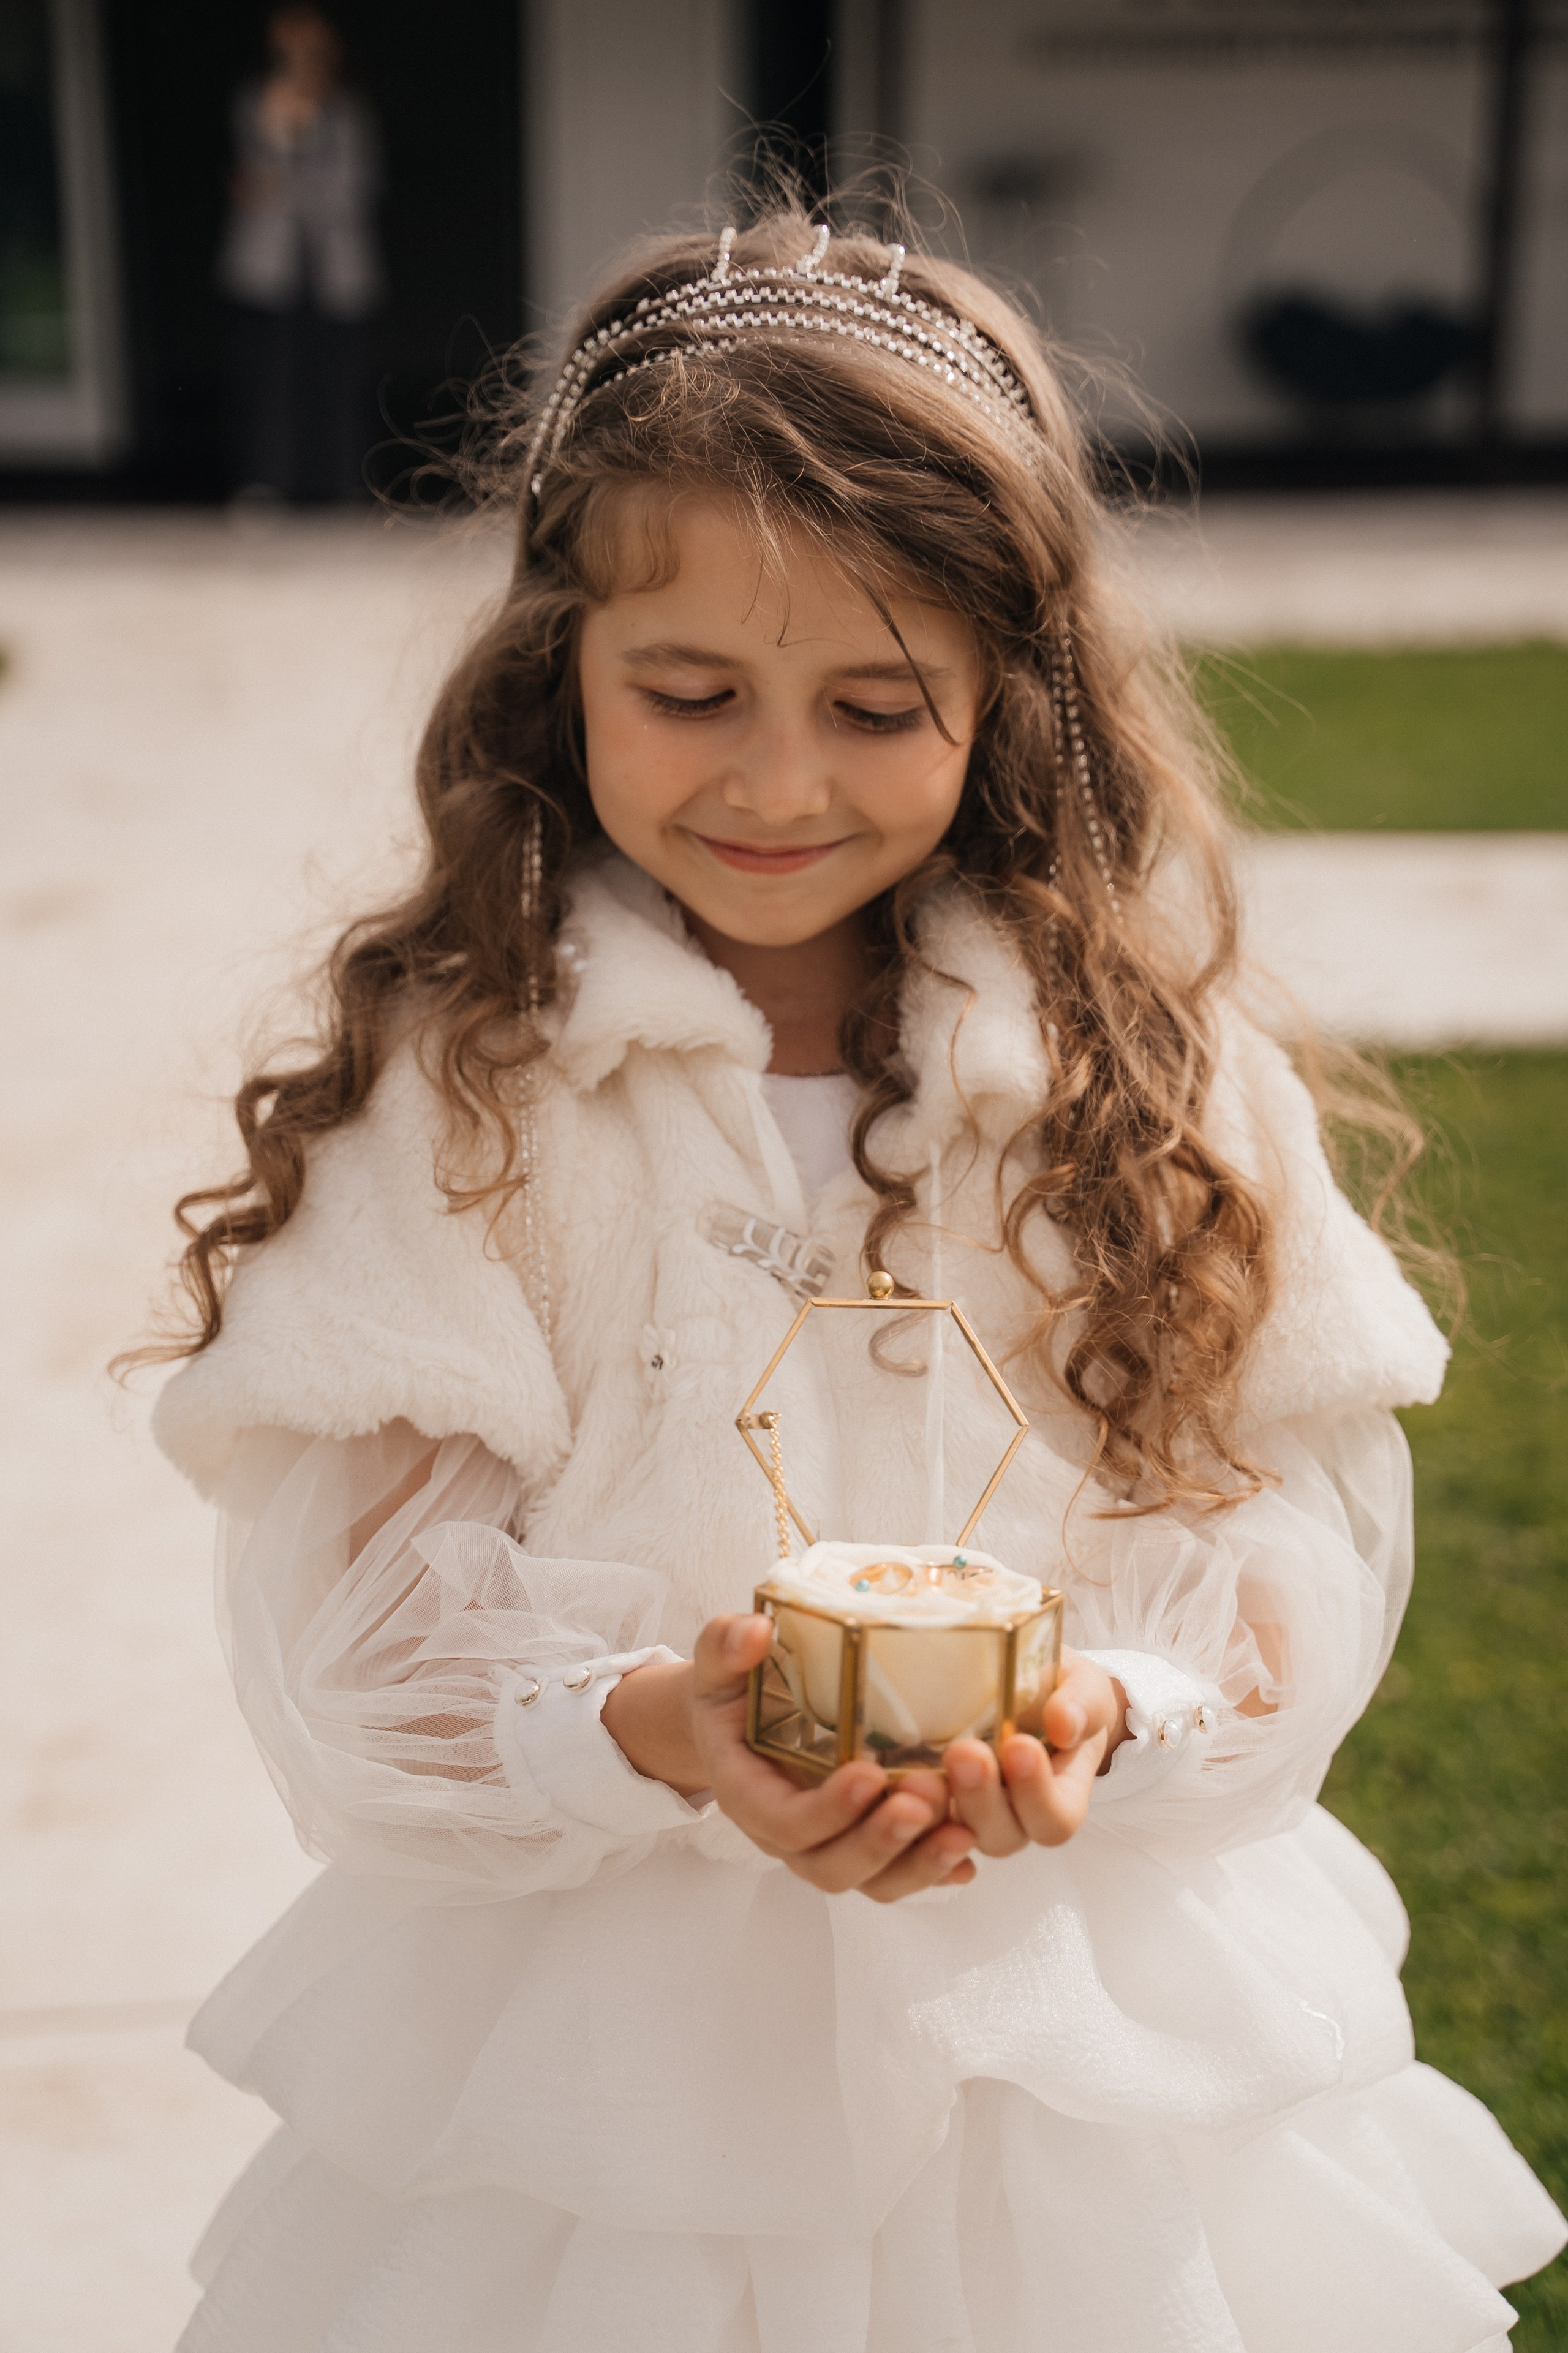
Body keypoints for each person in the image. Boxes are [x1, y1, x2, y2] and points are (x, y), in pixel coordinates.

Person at [148, 204, 1564, 2350]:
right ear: (561, 667)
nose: (777, 780)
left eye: (878, 705)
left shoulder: (1140, 1080)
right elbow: (363, 1647)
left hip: (1073, 2041)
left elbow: (1286, 1556)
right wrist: (661, 1727)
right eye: (690, 691)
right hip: (612, 2067)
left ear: (1007, 701)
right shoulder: (480, 1095)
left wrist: (1111, 1713)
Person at [217, 4, 381, 502]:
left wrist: (284, 182)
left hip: (336, 267)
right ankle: (267, 483)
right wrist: (283, 137)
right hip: (271, 266)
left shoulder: (347, 110)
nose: (300, 61)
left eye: (310, 51)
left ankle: (345, 485)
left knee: (340, 380)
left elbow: (353, 188)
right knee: (271, 377)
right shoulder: (256, 102)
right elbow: (248, 180)